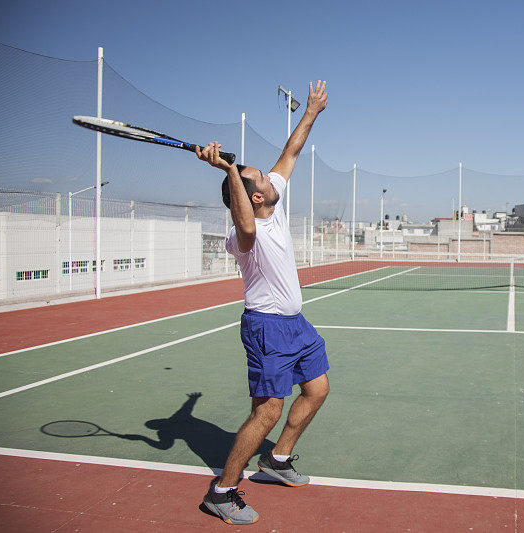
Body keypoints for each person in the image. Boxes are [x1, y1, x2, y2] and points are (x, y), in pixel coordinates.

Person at [195, 81, 329, 525]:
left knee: (318, 388)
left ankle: (277, 461)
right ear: (253, 196)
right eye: (256, 178)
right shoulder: (244, 236)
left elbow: (290, 152)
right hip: (266, 326)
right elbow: (246, 226)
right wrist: (227, 169)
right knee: (267, 409)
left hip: (296, 323)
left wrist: (310, 112)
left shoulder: (274, 197)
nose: (269, 177)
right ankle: (222, 491)